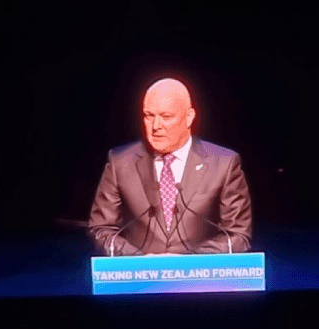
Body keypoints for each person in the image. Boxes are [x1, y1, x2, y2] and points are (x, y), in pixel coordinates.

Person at [89, 77, 252, 255]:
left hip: (201, 279)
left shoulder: (224, 164)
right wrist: (139, 260)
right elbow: (101, 229)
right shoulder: (120, 162)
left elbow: (238, 235)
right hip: (139, 278)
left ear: (189, 117)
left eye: (166, 117)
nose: (155, 126)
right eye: (149, 116)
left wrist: (185, 263)